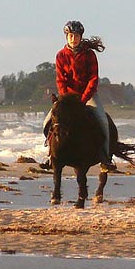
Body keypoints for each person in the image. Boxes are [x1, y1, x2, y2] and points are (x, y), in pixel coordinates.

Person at [42, 20, 116, 172]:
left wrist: (83, 99)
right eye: (70, 35)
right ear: (66, 36)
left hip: (87, 95)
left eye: (76, 36)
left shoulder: (89, 55)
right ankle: (51, 155)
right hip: (68, 97)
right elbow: (60, 79)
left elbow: (93, 79)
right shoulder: (60, 56)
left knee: (103, 120)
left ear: (80, 37)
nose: (73, 38)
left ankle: (105, 157)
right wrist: (66, 97)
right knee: (47, 122)